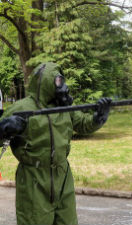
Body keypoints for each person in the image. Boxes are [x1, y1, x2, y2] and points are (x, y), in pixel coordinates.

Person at [0, 62, 111, 225]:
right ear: (44, 85)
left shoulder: (64, 108)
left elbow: (83, 123)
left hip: (63, 175)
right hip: (33, 180)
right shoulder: (21, 109)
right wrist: (3, 129)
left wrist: (98, 118)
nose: (63, 87)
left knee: (68, 221)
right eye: (57, 82)